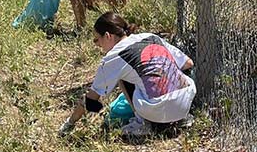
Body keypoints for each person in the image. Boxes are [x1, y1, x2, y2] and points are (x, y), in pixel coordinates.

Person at [59, 12, 195, 138]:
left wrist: (69, 123)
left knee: (123, 78)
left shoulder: (113, 57)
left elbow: (91, 99)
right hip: (186, 102)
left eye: (97, 40)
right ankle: (180, 118)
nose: (97, 45)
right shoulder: (150, 37)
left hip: (159, 110)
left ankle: (144, 124)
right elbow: (188, 63)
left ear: (108, 36)